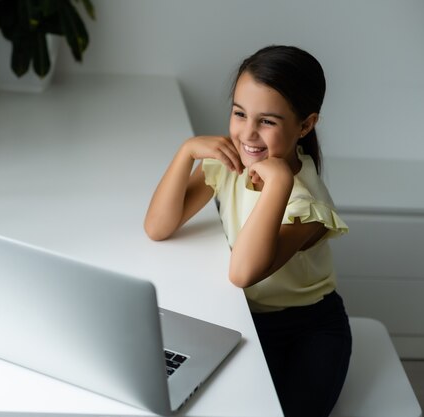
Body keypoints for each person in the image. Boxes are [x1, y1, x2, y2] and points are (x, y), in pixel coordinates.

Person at [144, 45, 352, 417]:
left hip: (308, 329)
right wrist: (187, 151)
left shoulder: (309, 207)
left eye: (268, 121)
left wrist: (278, 184)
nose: (248, 134)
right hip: (242, 319)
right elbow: (158, 227)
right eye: (240, 114)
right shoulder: (231, 164)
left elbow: (242, 272)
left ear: (305, 125)